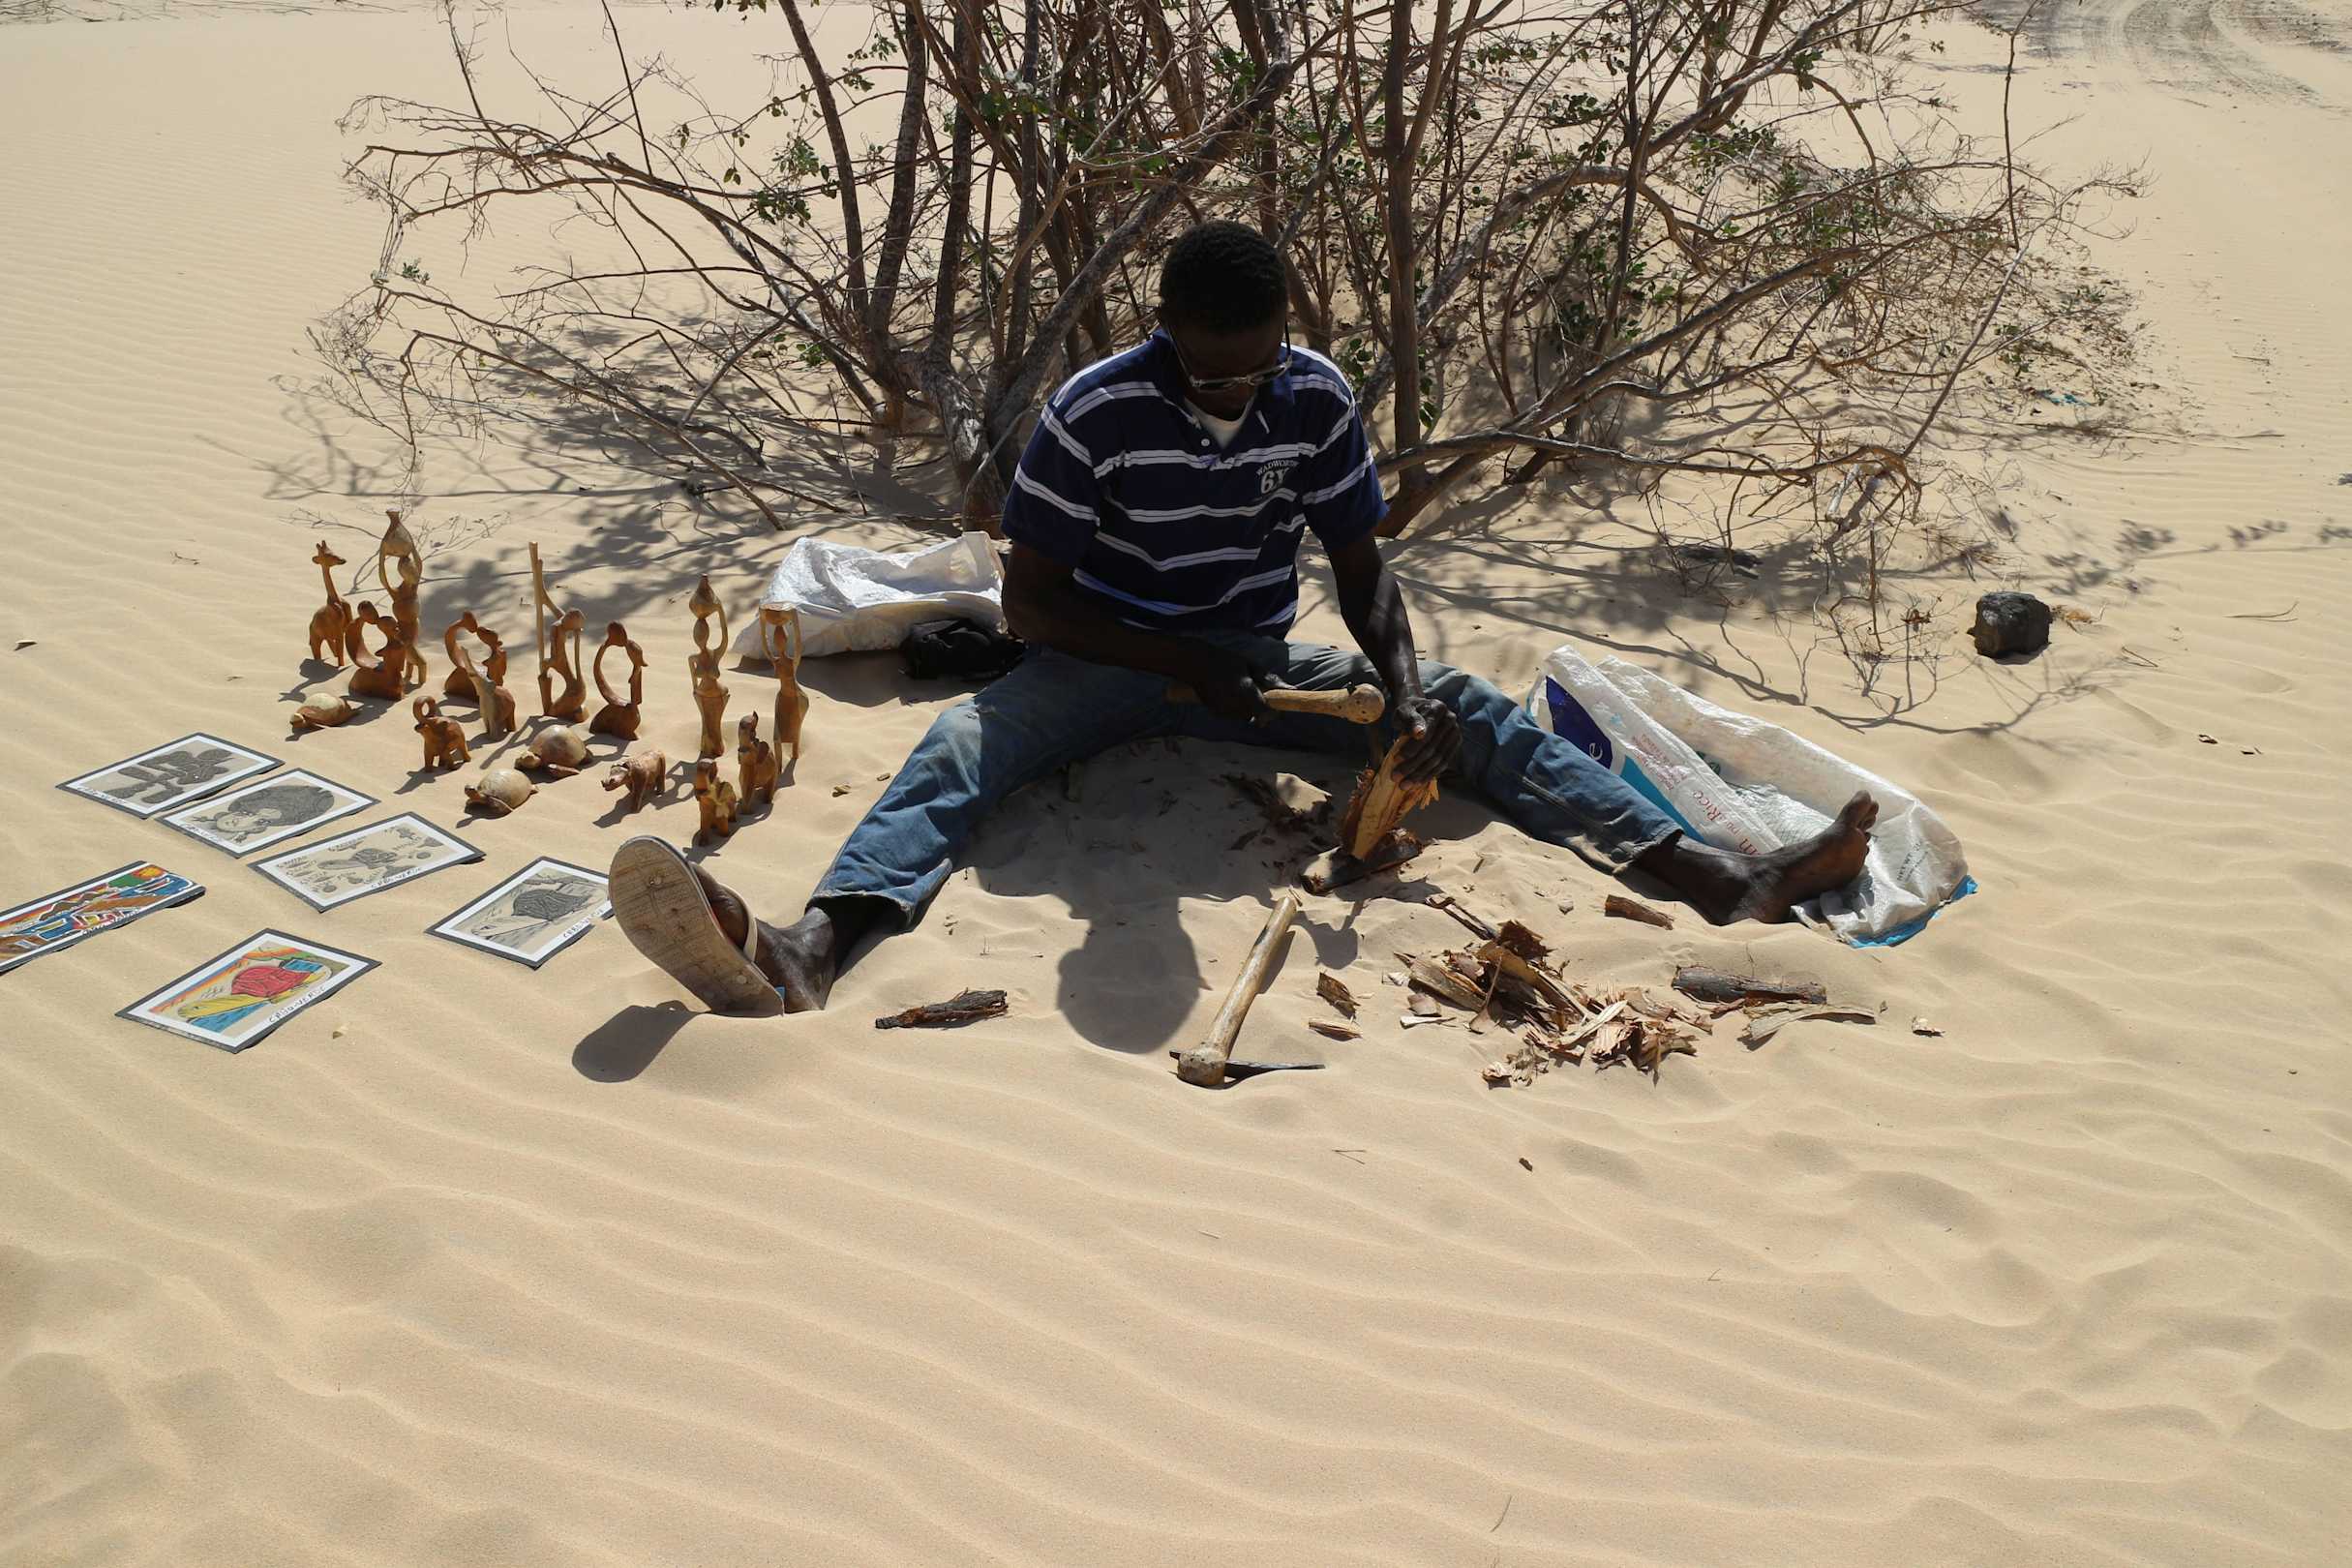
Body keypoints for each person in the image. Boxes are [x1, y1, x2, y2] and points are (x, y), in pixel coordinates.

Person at [607, 221, 1877, 1015]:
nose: (1230, 391)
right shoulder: (1094, 412)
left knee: (1468, 712)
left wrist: (1400, 687)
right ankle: (816, 947)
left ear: (1283, 338)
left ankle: (1721, 878)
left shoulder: (1312, 399)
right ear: (1163, 332)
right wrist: (1175, 662)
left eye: (1252, 367)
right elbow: (1032, 600)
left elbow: (1362, 567)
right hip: (1101, 654)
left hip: (1256, 664)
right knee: (956, 750)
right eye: (1207, 370)